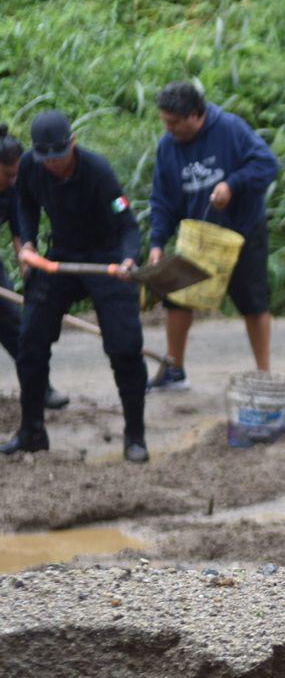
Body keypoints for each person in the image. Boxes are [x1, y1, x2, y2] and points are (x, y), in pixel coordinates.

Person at [2, 111, 147, 461]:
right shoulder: (31, 168)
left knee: (124, 347)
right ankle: (32, 430)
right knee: (31, 341)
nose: (53, 165)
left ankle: (135, 435)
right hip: (61, 257)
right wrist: (29, 243)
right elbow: (25, 202)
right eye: (46, 159)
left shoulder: (98, 172)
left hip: (106, 258)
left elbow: (128, 224)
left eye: (60, 158)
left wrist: (128, 259)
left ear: (73, 144)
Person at [145, 82, 279, 391]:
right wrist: (156, 244)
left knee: (253, 303)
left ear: (195, 115)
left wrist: (233, 184)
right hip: (198, 238)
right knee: (176, 301)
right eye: (165, 122)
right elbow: (162, 200)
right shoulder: (168, 146)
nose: (169, 129)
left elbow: (266, 164)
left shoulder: (230, 128)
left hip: (242, 233)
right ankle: (174, 369)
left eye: (174, 122)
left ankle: (264, 373)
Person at [0, 128, 68, 411]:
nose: (13, 179)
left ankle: (40, 388)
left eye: (16, 173)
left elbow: (21, 237)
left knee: (16, 323)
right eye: (6, 174)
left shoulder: (13, 188)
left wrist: (30, 275)